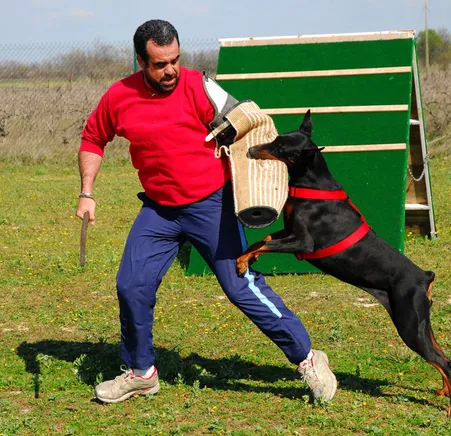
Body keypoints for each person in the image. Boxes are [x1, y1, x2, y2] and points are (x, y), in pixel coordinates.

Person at [75, 19, 336, 404]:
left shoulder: (198, 85)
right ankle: (140, 372)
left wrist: (247, 159)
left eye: (175, 60)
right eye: (160, 64)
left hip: (210, 204)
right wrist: (87, 192)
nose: (170, 71)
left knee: (239, 286)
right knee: (131, 285)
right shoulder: (118, 97)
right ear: (140, 61)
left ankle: (308, 358)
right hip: (160, 209)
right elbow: (93, 138)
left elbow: (245, 121)